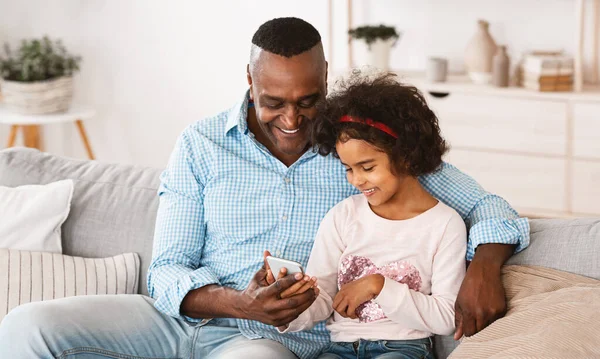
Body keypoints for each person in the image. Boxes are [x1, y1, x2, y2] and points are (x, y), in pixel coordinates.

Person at [0, 17, 529, 359]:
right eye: (274, 101)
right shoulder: (201, 143)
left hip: (272, 337)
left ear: (327, 76)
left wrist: (483, 267)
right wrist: (236, 301)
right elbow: (166, 270)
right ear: (249, 81)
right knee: (27, 327)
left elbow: (489, 206)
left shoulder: (363, 149)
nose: (293, 118)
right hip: (177, 318)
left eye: (308, 99)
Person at [270, 73, 466, 359]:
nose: (356, 180)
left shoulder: (444, 225)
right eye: (349, 169)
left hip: (402, 349)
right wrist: (290, 306)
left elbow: (446, 317)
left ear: (406, 155)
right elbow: (322, 298)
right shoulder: (343, 216)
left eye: (367, 167)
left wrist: (378, 286)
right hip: (339, 350)